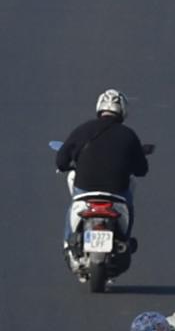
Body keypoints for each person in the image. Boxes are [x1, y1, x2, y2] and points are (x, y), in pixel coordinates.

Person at [57, 93, 151, 248]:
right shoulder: (129, 135)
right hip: (117, 191)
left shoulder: (82, 130)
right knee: (129, 204)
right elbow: (142, 170)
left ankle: (68, 242)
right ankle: (126, 239)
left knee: (74, 204)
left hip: (85, 189)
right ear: (122, 111)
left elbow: (61, 161)